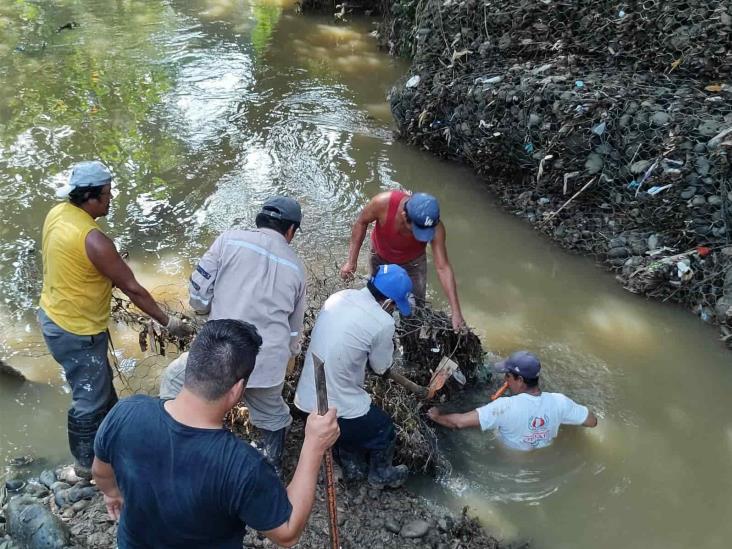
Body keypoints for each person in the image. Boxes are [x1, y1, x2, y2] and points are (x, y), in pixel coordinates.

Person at [92, 319, 340, 548]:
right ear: (237, 390)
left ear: (190, 365)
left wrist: (112, 493)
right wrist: (313, 446)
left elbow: (100, 471)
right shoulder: (241, 465)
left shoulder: (126, 412)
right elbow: (287, 532)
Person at [38, 160, 192, 477]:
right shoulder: (95, 240)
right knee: (89, 399)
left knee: (100, 387)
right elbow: (134, 289)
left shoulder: (59, 214)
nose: (111, 199)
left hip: (53, 316)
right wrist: (169, 322)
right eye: (107, 194)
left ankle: (109, 444)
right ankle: (85, 468)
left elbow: (74, 263)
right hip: (77, 331)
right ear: (91, 197)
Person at [188, 196, 306, 473]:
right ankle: (272, 463)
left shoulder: (228, 240)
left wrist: (205, 310)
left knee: (196, 398)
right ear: (291, 231)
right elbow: (293, 330)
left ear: (259, 220)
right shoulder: (296, 269)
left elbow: (198, 293)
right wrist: (290, 353)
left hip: (221, 352)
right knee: (271, 413)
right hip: (266, 360)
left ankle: (195, 452)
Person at [295, 264, 413, 488]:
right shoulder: (383, 322)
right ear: (388, 303)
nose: (393, 311)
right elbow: (380, 368)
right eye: (395, 306)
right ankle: (381, 475)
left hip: (306, 402)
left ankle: (350, 461)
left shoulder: (339, 296)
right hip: (332, 414)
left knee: (351, 409)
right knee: (383, 428)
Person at [339, 190, 465, 331]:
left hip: (413, 265)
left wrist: (456, 311)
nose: (420, 235)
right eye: (417, 229)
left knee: (415, 312)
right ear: (405, 215)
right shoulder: (383, 203)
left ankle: (410, 342)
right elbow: (361, 222)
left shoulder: (435, 227)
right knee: (378, 306)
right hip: (380, 259)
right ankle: (381, 339)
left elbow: (443, 267)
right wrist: (351, 261)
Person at [427, 351, 598, 451]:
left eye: (508, 376)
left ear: (520, 380)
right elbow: (592, 421)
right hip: (543, 451)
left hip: (510, 455)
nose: (506, 381)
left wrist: (436, 416)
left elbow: (459, 423)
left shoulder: (505, 406)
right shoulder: (560, 402)